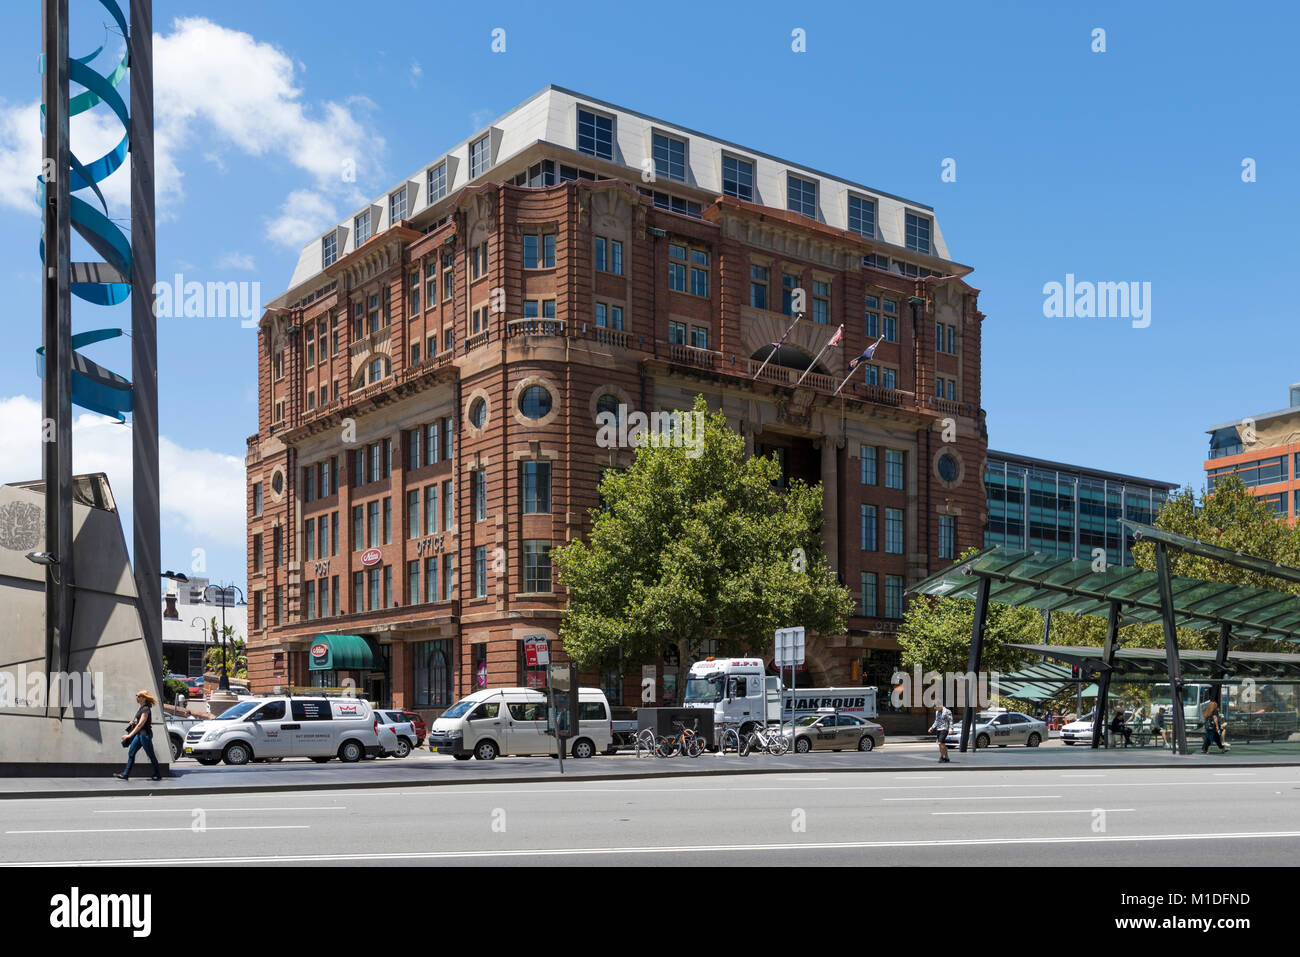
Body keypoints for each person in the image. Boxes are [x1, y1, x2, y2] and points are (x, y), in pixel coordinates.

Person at [114, 689, 162, 781]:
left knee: (151, 755)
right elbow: (138, 723)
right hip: (140, 735)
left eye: (138, 696)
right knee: (131, 753)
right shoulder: (141, 708)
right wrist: (133, 723)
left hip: (145, 735)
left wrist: (129, 735)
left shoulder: (146, 709)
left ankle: (158, 774)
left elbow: (141, 724)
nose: (136, 697)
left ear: (144, 698)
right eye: (136, 695)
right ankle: (126, 774)